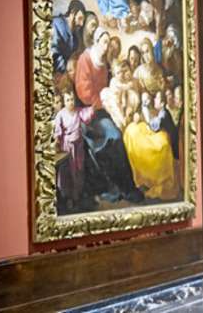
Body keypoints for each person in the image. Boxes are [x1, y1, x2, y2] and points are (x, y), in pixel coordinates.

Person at [75, 27, 144, 205]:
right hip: (87, 114)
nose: (106, 46)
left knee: (117, 136)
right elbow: (84, 93)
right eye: (103, 42)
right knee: (113, 136)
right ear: (96, 41)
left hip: (103, 110)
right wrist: (103, 102)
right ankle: (116, 188)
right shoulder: (85, 59)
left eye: (108, 42)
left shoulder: (106, 63)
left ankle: (127, 188)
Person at [122, 91, 179, 201]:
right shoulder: (157, 111)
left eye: (155, 100)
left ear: (162, 103)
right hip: (154, 130)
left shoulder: (163, 113)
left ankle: (154, 179)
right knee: (133, 133)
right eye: (145, 103)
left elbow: (155, 125)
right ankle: (142, 178)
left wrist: (148, 118)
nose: (153, 102)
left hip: (166, 137)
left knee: (159, 146)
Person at [53, 89, 95, 211]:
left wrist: (92, 109)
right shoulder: (61, 115)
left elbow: (86, 115)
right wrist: (57, 141)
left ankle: (77, 197)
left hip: (78, 147)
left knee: (78, 170)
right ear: (64, 102)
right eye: (67, 100)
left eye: (72, 99)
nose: (70, 102)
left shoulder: (77, 111)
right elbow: (58, 130)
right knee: (67, 173)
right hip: (67, 146)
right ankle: (67, 198)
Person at [100, 59, 140, 132]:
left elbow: (124, 94)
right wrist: (128, 85)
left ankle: (124, 125)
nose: (121, 74)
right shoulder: (115, 81)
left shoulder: (129, 81)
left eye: (122, 72)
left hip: (120, 103)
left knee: (122, 119)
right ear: (114, 73)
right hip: (113, 101)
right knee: (119, 118)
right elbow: (123, 87)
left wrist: (124, 103)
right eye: (118, 73)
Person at [52, 0, 86, 74]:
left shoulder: (75, 38)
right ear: (72, 13)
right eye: (80, 18)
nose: (81, 24)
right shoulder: (56, 24)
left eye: (83, 21)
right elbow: (53, 53)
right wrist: (66, 70)